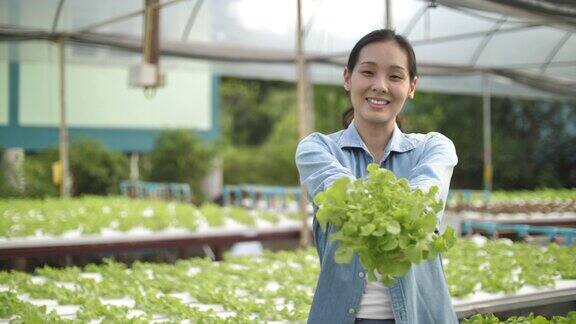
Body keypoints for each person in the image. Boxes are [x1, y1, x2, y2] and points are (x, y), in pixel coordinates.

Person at [295, 29, 458, 324]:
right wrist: (398, 214)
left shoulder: (434, 148)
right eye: (368, 72)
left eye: (395, 76)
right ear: (348, 78)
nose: (380, 86)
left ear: (412, 86)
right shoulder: (316, 149)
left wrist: (374, 211)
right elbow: (344, 200)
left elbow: (424, 206)